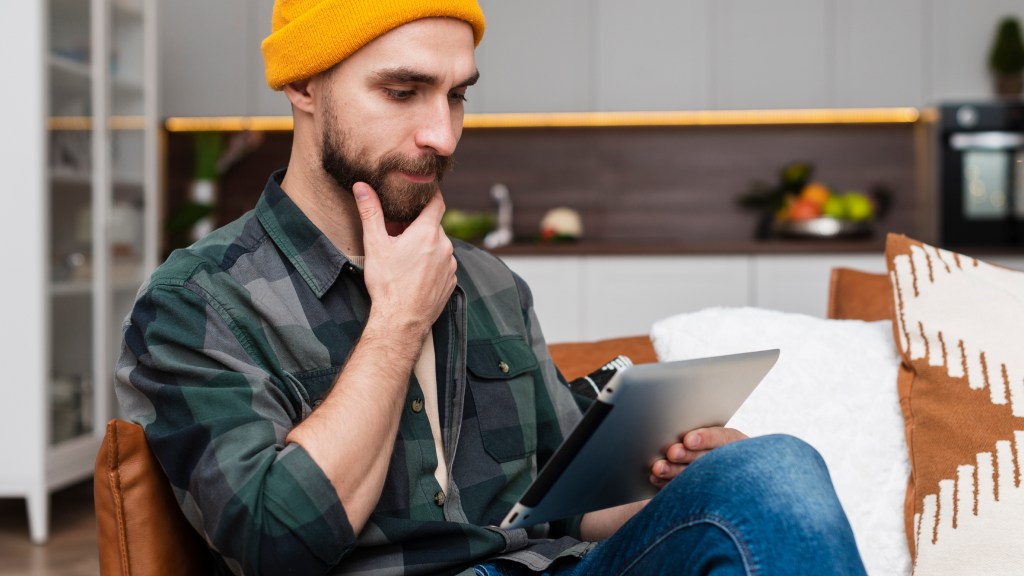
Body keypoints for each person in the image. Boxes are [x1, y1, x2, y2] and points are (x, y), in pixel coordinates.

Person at [115, 1, 867, 574]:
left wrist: (690, 483)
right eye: (403, 91)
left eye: (456, 96)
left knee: (769, 468)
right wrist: (397, 322)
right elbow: (273, 544)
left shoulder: (490, 282)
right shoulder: (200, 302)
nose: (442, 135)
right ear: (304, 84)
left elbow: (562, 510)